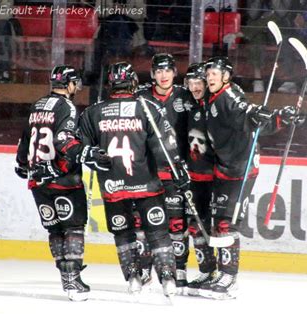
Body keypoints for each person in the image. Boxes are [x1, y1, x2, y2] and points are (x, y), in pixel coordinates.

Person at [78, 61, 189, 297]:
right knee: (157, 231)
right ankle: (168, 277)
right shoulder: (147, 107)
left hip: (112, 186)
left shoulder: (93, 111)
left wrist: (92, 159)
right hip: (146, 183)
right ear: (133, 82)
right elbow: (163, 146)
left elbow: (83, 151)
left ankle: (133, 277)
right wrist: (178, 168)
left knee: (123, 232)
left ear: (111, 83)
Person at [198, 56, 305, 299]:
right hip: (225, 167)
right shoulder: (212, 96)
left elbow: (248, 114)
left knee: (227, 223)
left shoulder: (228, 96)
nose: (210, 76)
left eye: (215, 72)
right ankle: (220, 273)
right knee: (218, 224)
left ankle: (229, 277)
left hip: (241, 167)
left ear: (226, 76)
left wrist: (277, 117)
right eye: (209, 73)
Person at [14, 65, 111, 301]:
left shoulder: (37, 105)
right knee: (73, 227)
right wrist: (86, 152)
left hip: (38, 180)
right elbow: (63, 140)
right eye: (74, 83)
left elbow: (25, 141)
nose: (75, 87)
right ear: (68, 84)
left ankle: (65, 278)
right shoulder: (66, 106)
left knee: (55, 229)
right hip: (63, 178)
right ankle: (73, 281)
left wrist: (22, 165)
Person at [136, 53, 192, 294]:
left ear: (174, 72)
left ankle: (179, 270)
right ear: (152, 74)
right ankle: (143, 269)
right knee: (143, 224)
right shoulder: (141, 97)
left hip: (176, 171)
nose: (163, 75)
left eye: (167, 70)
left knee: (177, 224)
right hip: (147, 172)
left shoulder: (184, 96)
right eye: (158, 70)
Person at [182, 62, 219, 295]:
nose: (195, 87)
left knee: (219, 227)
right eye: (191, 83)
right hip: (195, 178)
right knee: (197, 226)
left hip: (215, 178)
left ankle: (223, 274)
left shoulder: (215, 106)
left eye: (199, 83)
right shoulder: (191, 107)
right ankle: (207, 271)